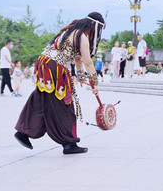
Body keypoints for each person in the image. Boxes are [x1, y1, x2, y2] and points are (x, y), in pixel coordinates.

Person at [14, 12, 105, 155]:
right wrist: (95, 84)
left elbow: (78, 59)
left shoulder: (70, 30)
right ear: (93, 24)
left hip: (45, 63)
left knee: (40, 98)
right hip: (56, 67)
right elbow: (88, 62)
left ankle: (23, 131)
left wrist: (81, 77)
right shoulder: (81, 37)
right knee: (64, 103)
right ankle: (69, 144)